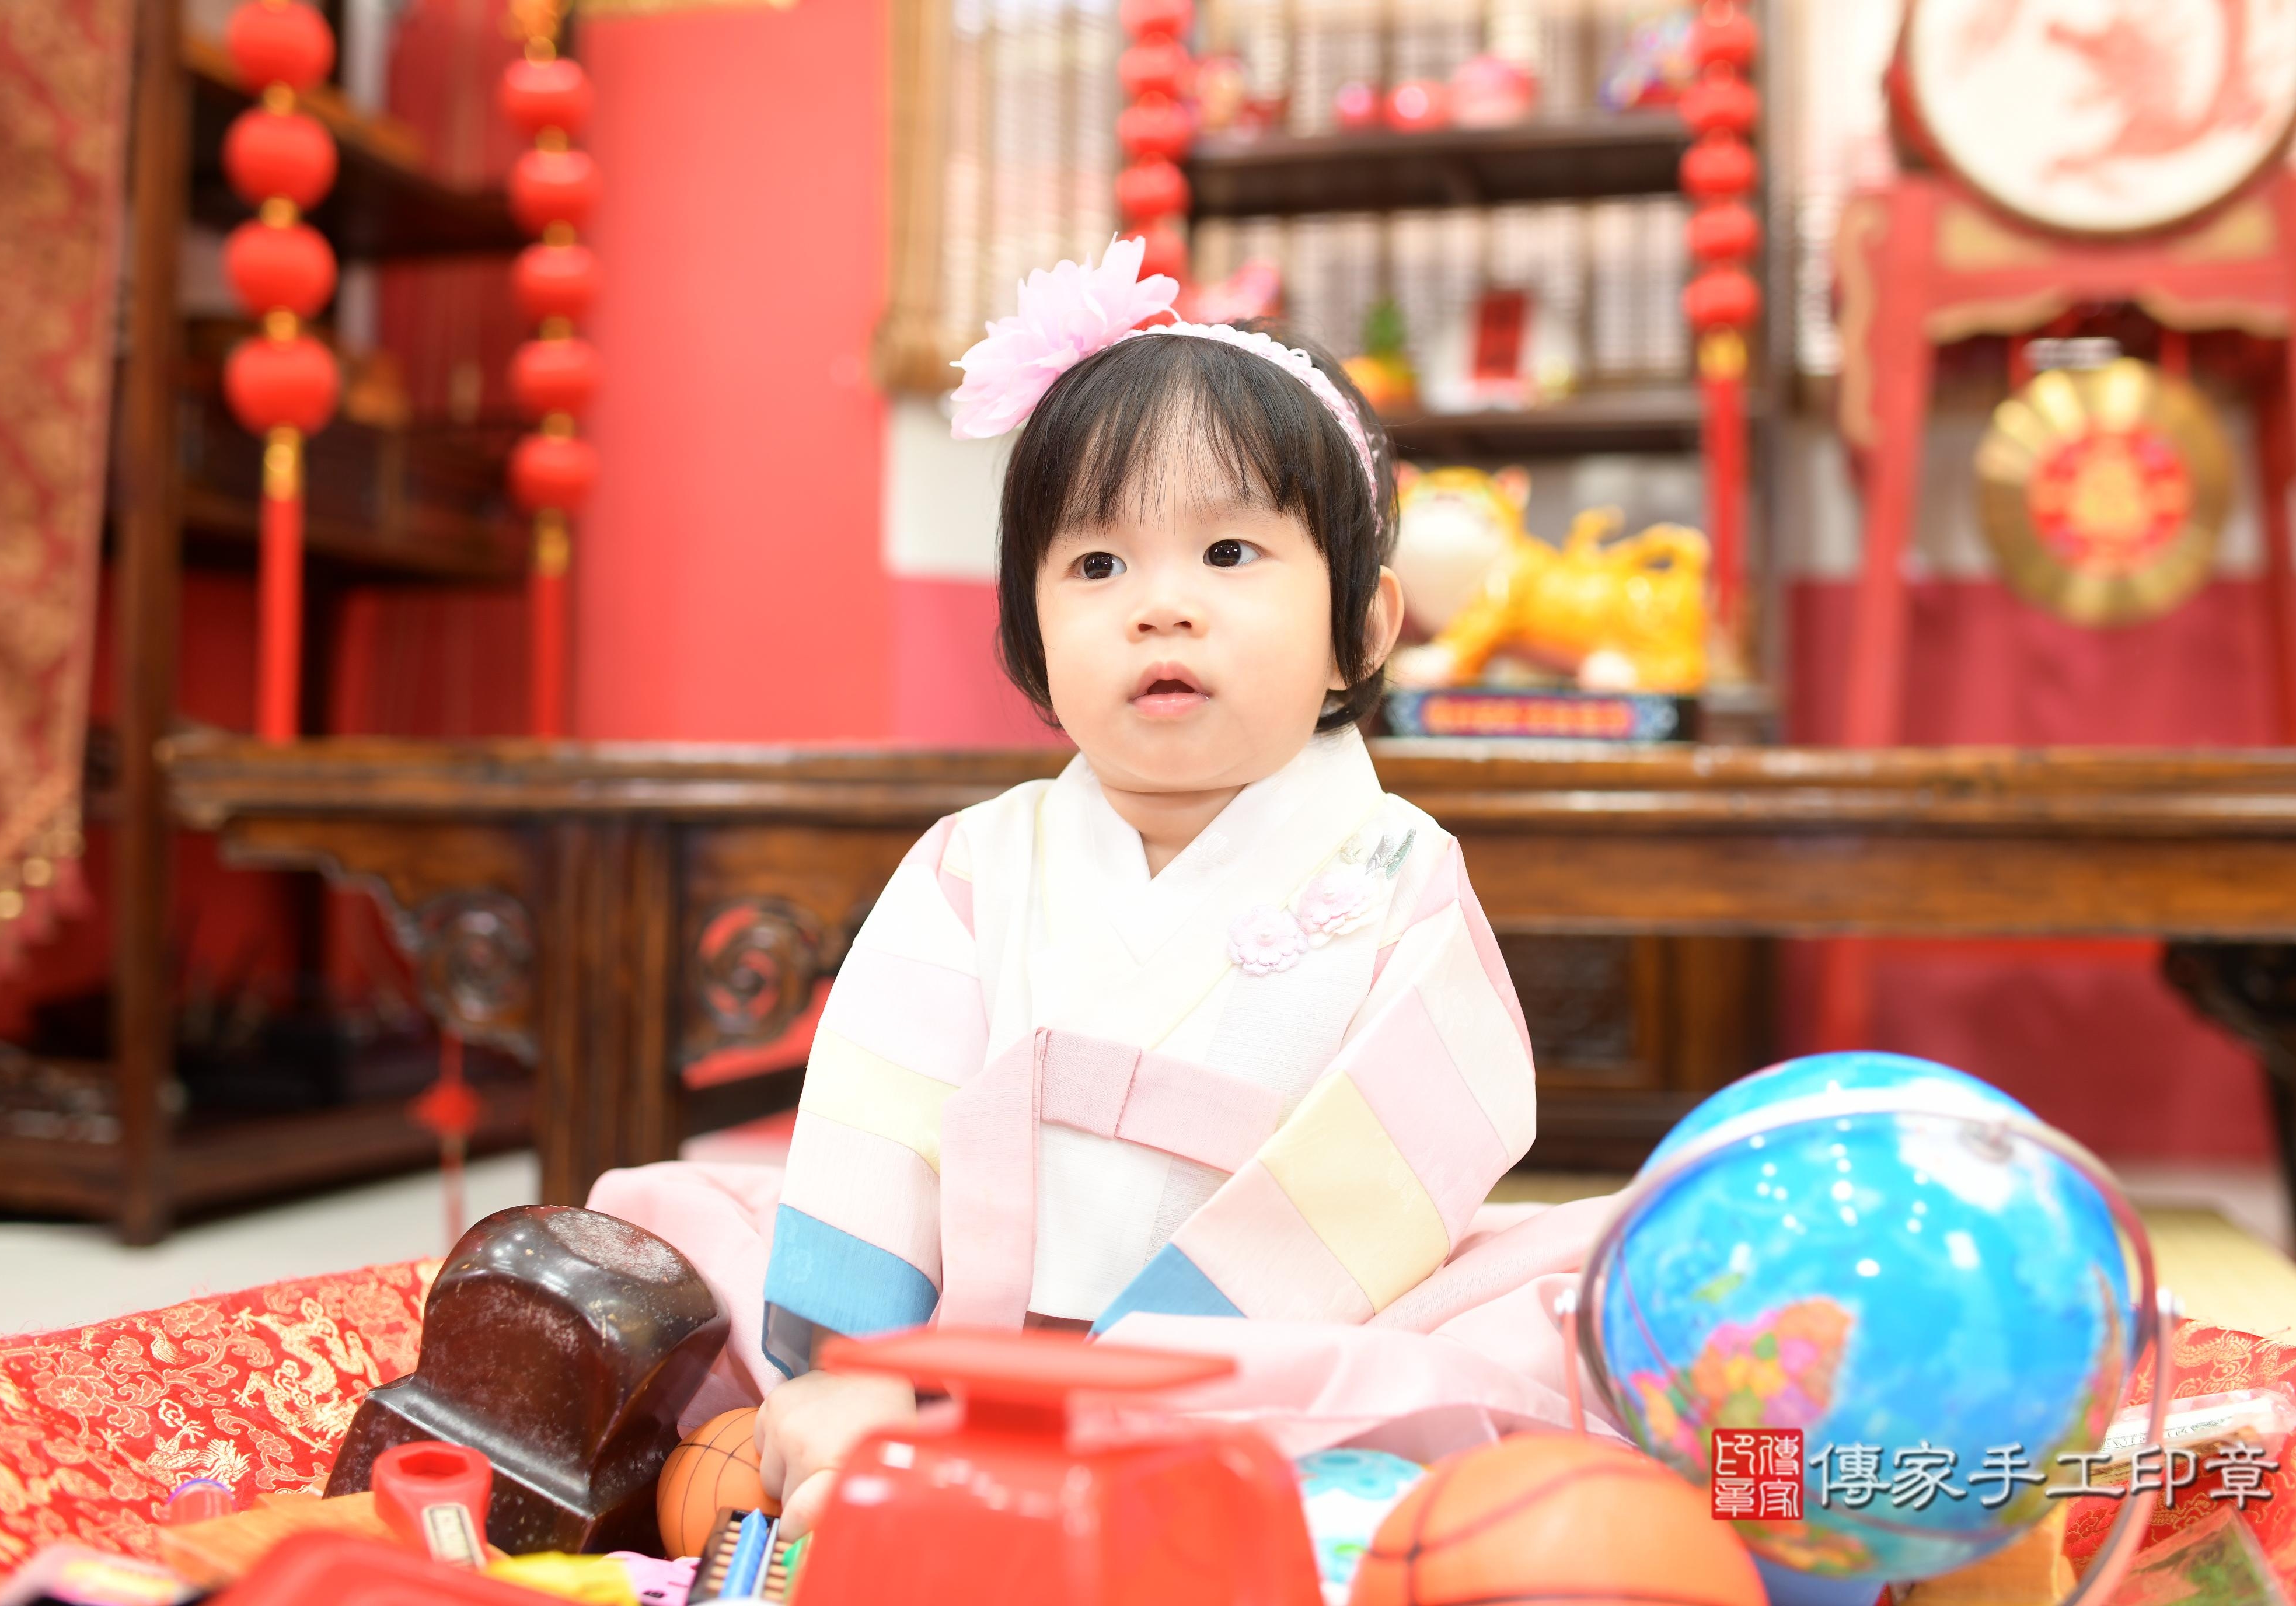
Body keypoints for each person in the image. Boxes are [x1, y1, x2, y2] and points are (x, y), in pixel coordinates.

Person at [589, 238, 1610, 1534]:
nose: (1160, 608)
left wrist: (1138, 1376)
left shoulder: (1397, 869)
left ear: (1362, 625)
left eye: (1229, 551)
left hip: (1267, 1353)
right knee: (665, 1223)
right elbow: (877, 1121)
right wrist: (857, 1366)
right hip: (959, 1346)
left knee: (1573, 1298)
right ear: (1029, 634)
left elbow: (1401, 1149)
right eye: (1098, 566)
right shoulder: (975, 861)